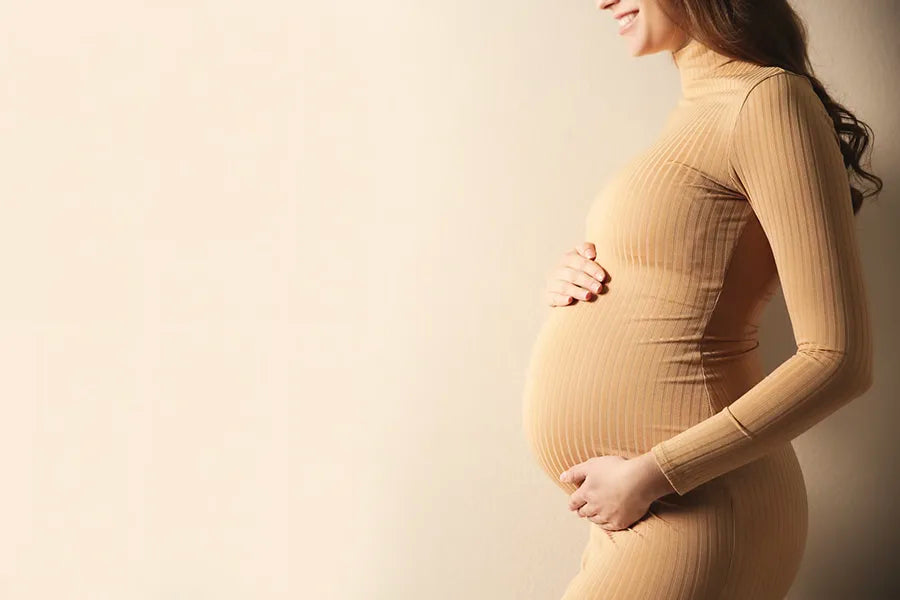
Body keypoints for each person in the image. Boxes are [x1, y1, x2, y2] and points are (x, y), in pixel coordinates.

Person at [520, 0, 882, 598]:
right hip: (650, 512)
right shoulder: (701, 110)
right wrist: (578, 286)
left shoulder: (767, 100)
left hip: (696, 504)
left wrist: (654, 474)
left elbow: (840, 358)